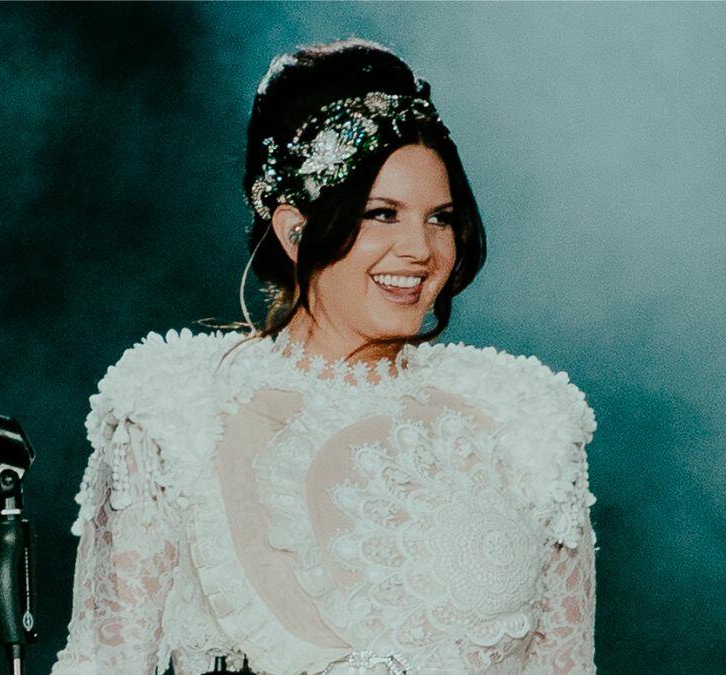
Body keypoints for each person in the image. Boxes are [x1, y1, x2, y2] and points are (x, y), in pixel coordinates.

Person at [51, 37, 598, 675]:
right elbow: (104, 661)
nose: (420, 249)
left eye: (440, 218)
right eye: (382, 214)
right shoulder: (175, 412)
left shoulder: (525, 417)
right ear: (295, 229)